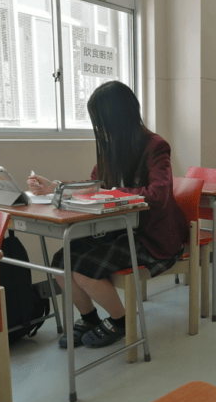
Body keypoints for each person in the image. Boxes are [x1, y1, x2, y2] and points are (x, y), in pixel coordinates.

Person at [28, 81, 188, 348]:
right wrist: (55, 186)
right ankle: (89, 318)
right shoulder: (112, 147)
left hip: (152, 237)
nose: (100, 129)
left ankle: (121, 321)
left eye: (102, 121)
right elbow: (94, 186)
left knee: (84, 268)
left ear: (118, 117)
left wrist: (112, 192)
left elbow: (158, 194)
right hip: (118, 231)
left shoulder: (155, 146)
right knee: (59, 262)